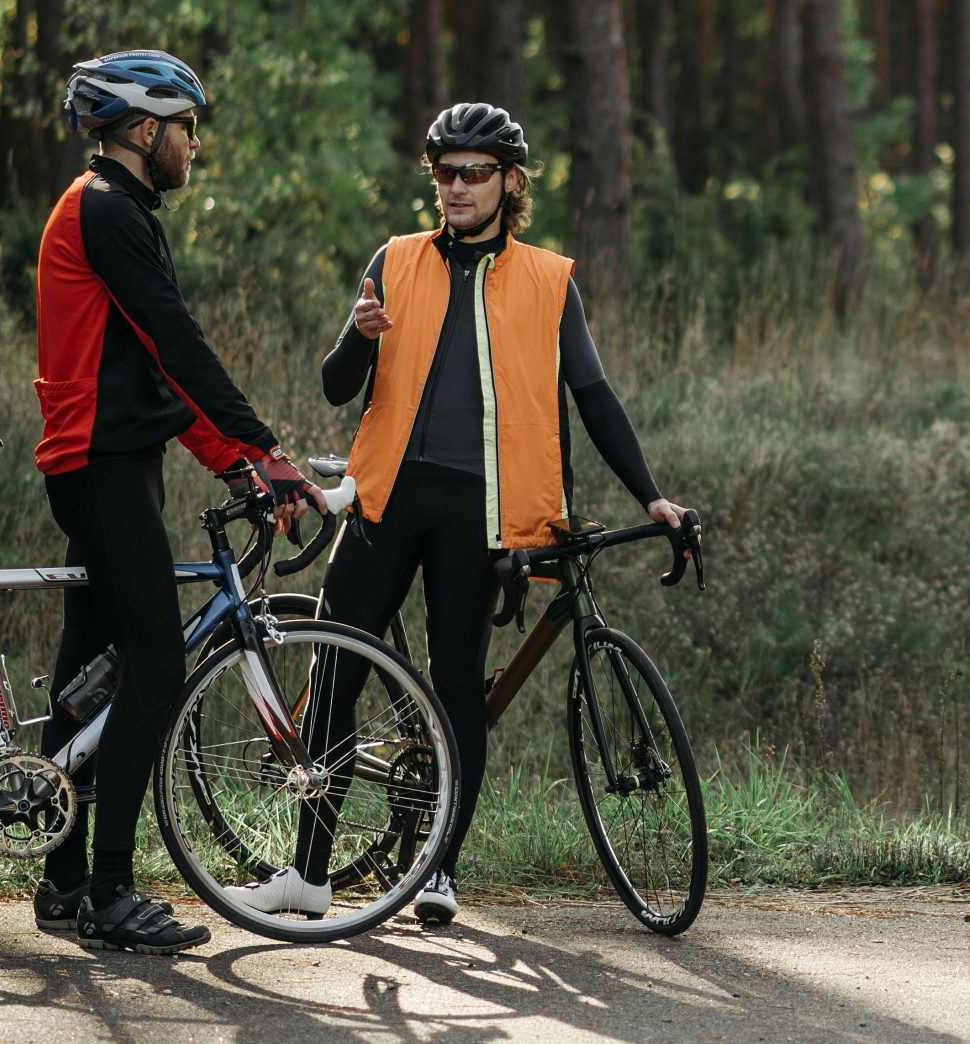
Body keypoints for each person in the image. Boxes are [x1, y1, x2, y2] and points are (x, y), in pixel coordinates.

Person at [223, 102, 686, 924]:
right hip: (385, 499)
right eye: (445, 173)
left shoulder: (549, 282)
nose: (458, 187)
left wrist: (650, 493)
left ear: (511, 182)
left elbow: (595, 399)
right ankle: (308, 873)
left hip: (482, 514)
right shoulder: (395, 260)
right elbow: (334, 386)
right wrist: (359, 337)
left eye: (476, 172)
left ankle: (437, 869)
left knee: (455, 691)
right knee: (336, 673)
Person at [33, 49, 321, 954]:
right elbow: (179, 344)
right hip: (100, 467)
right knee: (157, 662)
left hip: (111, 463)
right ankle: (113, 892)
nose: (195, 144)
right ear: (144, 129)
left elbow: (159, 375)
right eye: (188, 126)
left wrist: (233, 463)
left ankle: (63, 876)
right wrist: (263, 447)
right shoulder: (106, 210)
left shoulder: (115, 211)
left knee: (91, 677)